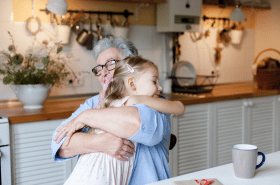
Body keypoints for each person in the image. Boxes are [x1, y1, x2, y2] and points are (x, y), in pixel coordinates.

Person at [51, 37, 179, 184]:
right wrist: (99, 142)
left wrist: (86, 117)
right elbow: (59, 141)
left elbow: (140, 125)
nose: (103, 73)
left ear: (131, 67)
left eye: (110, 64)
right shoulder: (93, 103)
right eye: (99, 68)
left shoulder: (152, 99)